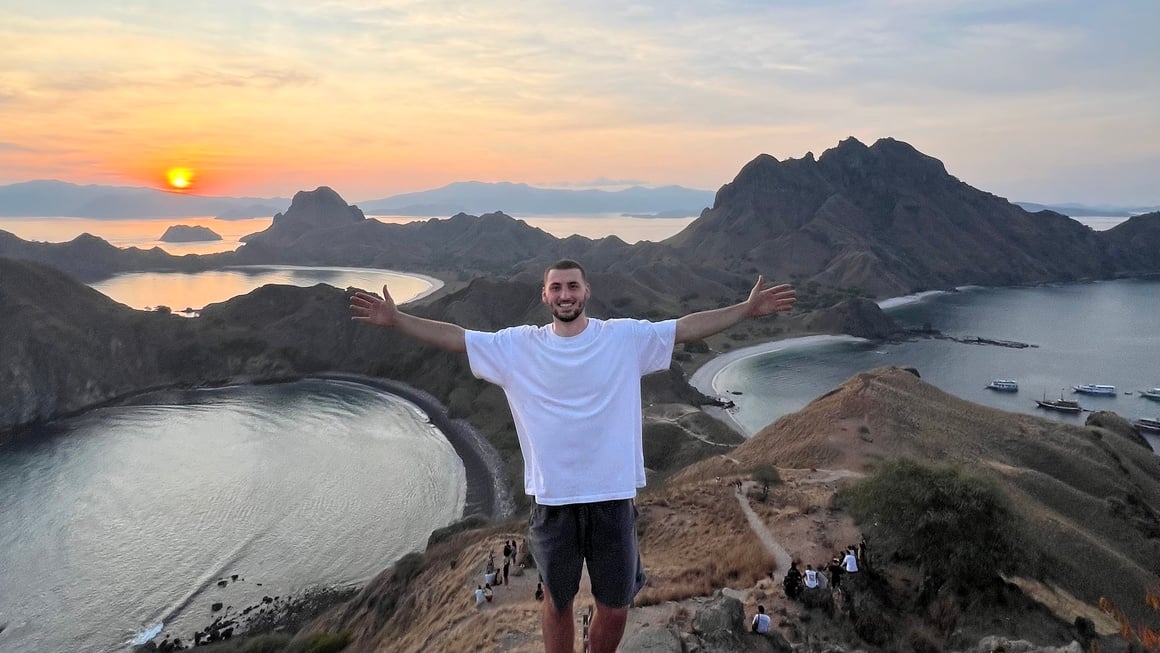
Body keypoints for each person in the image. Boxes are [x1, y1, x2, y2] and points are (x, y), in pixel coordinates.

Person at [351, 259, 795, 653]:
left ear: (586, 292)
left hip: (613, 497)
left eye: (573, 286)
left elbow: (685, 327)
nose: (565, 294)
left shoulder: (622, 338)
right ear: (544, 295)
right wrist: (399, 320)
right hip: (553, 500)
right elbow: (457, 338)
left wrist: (745, 310)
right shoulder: (518, 346)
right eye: (557, 288)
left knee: (616, 608)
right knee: (557, 602)